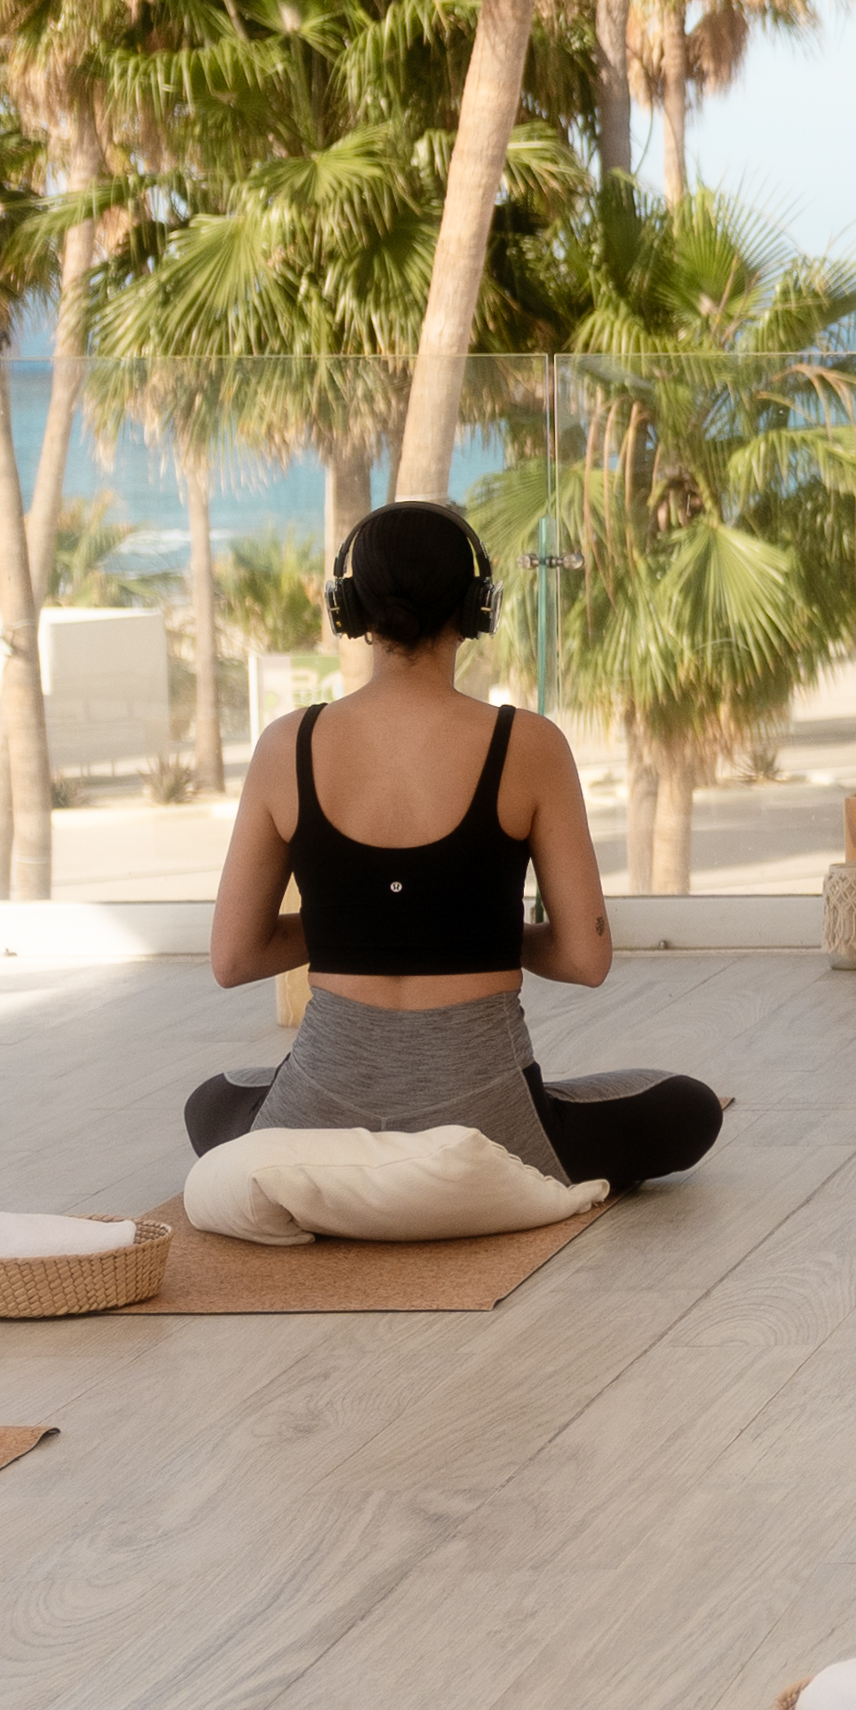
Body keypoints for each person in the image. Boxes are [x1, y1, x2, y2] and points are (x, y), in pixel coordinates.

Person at [188, 499, 722, 1191]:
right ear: (479, 606)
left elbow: (233, 958)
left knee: (212, 1098)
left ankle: (331, 1173)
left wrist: (358, 925)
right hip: (488, 1128)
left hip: (316, 1119)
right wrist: (479, 929)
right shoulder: (527, 744)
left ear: (348, 609)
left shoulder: (285, 744)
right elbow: (586, 958)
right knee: (689, 1105)